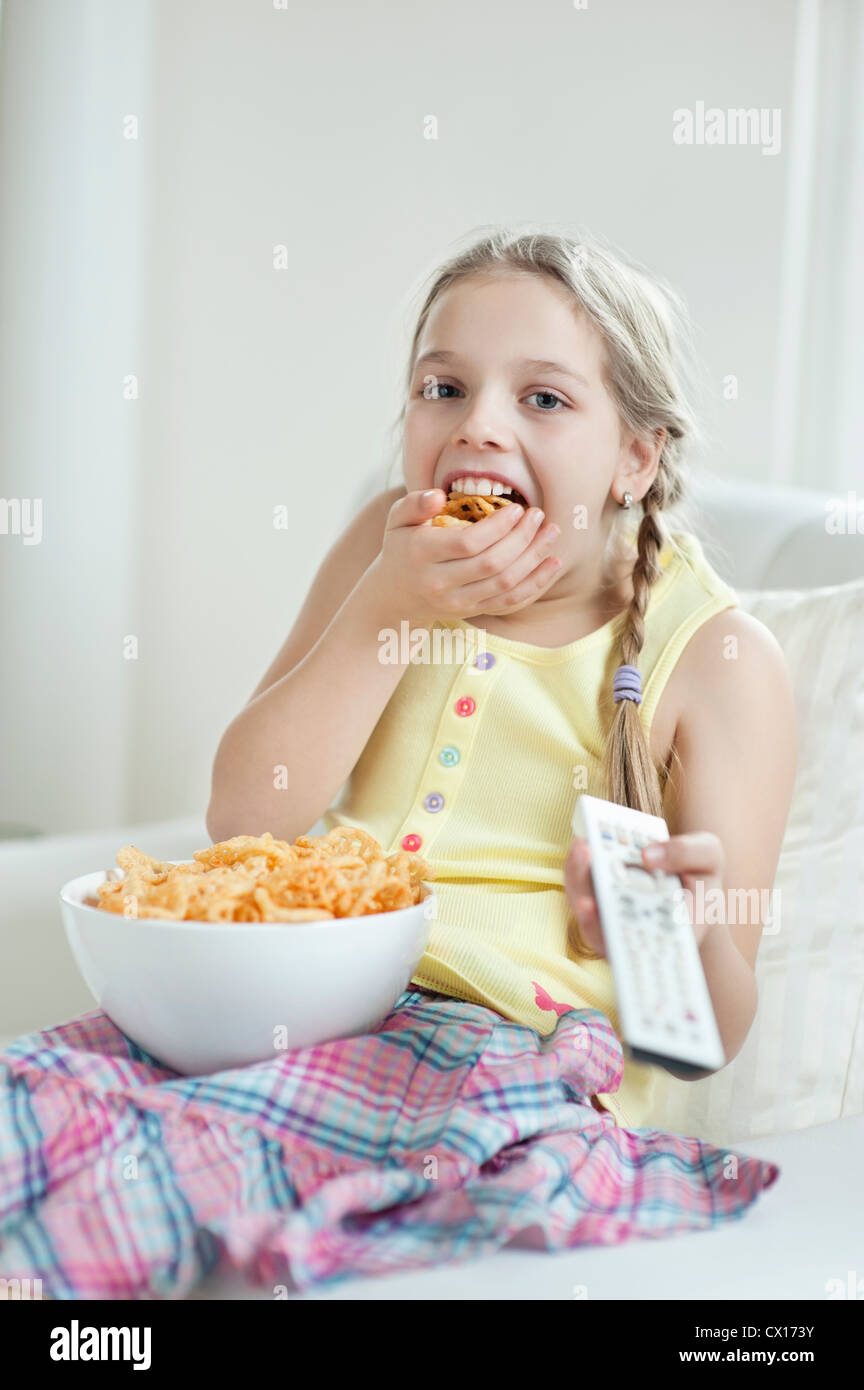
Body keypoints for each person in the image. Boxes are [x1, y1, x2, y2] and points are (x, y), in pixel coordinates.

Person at [209, 225, 798, 1131]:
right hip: (295, 1010)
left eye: (544, 399)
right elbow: (242, 824)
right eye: (443, 389)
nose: (479, 424)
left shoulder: (719, 661)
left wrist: (668, 942)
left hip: (514, 1070)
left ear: (636, 458)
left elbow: (703, 1042)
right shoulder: (384, 548)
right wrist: (387, 611)